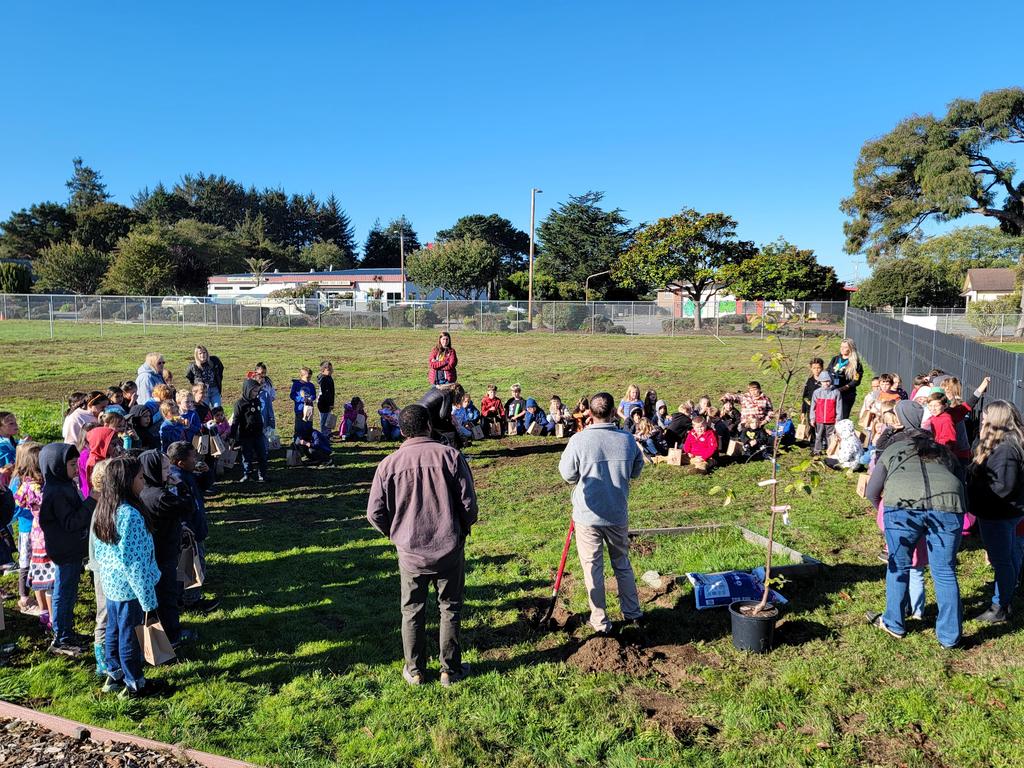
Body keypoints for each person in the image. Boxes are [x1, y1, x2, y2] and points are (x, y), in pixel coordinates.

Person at [366, 405, 477, 686]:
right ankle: (448, 671)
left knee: (412, 610)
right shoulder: (451, 457)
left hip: (410, 552)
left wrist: (396, 535)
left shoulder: (388, 464)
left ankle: (415, 671)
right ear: (429, 425)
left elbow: (374, 513)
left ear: (402, 430)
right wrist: (461, 530)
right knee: (449, 608)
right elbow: (469, 505)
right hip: (449, 547)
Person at [865, 425, 967, 649]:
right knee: (945, 571)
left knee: (898, 565)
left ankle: (894, 623)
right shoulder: (944, 452)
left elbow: (871, 491)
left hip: (901, 507)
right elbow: (963, 485)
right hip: (949, 505)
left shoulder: (894, 450)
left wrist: (885, 513)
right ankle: (950, 637)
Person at [558, 392, 645, 635]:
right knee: (622, 564)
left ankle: (600, 622)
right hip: (616, 512)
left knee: (592, 567)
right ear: (613, 411)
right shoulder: (627, 440)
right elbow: (637, 470)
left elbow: (567, 475)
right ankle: (633, 612)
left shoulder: (579, 441)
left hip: (588, 515)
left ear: (590, 413)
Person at [90, 455, 165, 697]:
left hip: (112, 585)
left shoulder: (104, 507)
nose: (144, 481)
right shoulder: (130, 515)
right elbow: (134, 564)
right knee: (130, 635)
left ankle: (115, 674)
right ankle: (135, 683)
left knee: (114, 629)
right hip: (130, 588)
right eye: (140, 477)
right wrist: (148, 601)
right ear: (126, 481)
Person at [967, 400, 1024, 624]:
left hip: (998, 514)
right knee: (1006, 557)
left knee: (1002, 560)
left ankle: (1000, 605)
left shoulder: (1007, 449)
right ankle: (1004, 597)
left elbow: (1003, 487)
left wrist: (976, 495)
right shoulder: (1001, 442)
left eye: (986, 415)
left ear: (997, 419)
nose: (982, 418)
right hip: (1001, 513)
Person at [39, 442, 95, 656]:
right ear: (57, 467)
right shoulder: (58, 492)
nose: (75, 468)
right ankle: (61, 637)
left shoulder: (63, 486)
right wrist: (91, 502)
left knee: (69, 592)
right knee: (64, 592)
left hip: (70, 548)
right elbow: (71, 522)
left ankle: (67, 631)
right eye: (72, 465)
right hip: (65, 549)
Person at [13, 443, 51, 627]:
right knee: (45, 573)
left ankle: (44, 613)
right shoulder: (39, 486)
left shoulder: (26, 484)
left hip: (35, 530)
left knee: (37, 571)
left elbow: (18, 501)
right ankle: (48, 615)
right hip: (44, 530)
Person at [230, 379, 269, 483]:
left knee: (262, 455)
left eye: (257, 391)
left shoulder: (256, 401)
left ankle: (262, 474)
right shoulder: (239, 404)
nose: (256, 394)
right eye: (254, 391)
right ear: (247, 390)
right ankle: (247, 474)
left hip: (258, 434)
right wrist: (232, 436)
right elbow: (236, 421)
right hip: (246, 435)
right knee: (247, 456)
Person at [827, 339, 863, 421]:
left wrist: (846, 387)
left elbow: (856, 380)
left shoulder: (856, 364)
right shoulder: (835, 359)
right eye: (841, 346)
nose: (842, 349)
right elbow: (828, 371)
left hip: (846, 395)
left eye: (845, 347)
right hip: (832, 392)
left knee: (842, 418)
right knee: (831, 417)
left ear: (851, 348)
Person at [809, 372, 843, 456]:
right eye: (823, 381)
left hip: (831, 420)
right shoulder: (816, 393)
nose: (826, 383)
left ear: (831, 381)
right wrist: (812, 418)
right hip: (819, 419)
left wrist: (838, 419)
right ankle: (817, 450)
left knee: (830, 436)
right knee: (818, 435)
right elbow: (813, 407)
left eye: (828, 381)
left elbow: (839, 407)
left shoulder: (836, 392)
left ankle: (830, 450)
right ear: (820, 382)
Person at [290, 368, 317, 442]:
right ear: (301, 376)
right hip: (299, 409)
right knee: (299, 426)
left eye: (310, 377)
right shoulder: (296, 384)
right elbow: (292, 395)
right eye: (307, 377)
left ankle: (308, 440)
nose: (309, 379)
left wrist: (311, 398)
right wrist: (301, 399)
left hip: (309, 409)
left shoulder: (311, 385)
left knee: (308, 425)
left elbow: (314, 395)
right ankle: (297, 441)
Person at [317, 361, 336, 436]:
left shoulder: (329, 377)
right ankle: (324, 434)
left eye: (332, 369)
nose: (331, 371)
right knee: (324, 419)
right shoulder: (323, 379)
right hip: (323, 403)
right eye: (329, 370)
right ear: (323, 370)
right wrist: (329, 404)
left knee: (328, 418)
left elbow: (331, 392)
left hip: (328, 402)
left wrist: (331, 403)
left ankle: (328, 433)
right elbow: (325, 394)